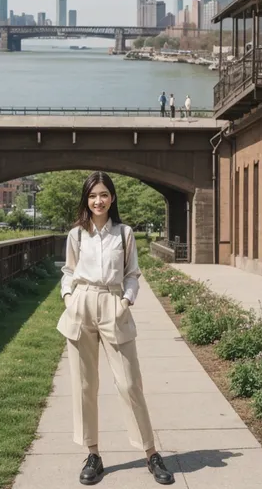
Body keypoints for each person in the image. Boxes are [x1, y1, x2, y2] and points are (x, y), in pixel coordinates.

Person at [57, 171, 174, 486]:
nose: (98, 201)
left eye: (104, 194)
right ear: (87, 199)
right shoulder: (76, 235)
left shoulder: (124, 233)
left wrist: (126, 300)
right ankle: (92, 453)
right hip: (81, 305)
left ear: (112, 198)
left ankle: (150, 453)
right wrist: (69, 297)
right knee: (84, 386)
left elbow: (133, 273)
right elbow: (68, 271)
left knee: (129, 383)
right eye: (93, 195)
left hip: (113, 305)